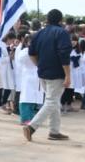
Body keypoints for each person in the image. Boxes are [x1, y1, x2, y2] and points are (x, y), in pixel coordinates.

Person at [23, 8, 70, 142]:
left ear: (47, 19)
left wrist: (38, 65)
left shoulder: (39, 33)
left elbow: (31, 53)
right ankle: (31, 127)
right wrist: (68, 75)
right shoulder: (62, 33)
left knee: (53, 101)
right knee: (52, 101)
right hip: (57, 73)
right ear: (60, 20)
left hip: (43, 72)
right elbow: (64, 55)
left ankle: (54, 131)